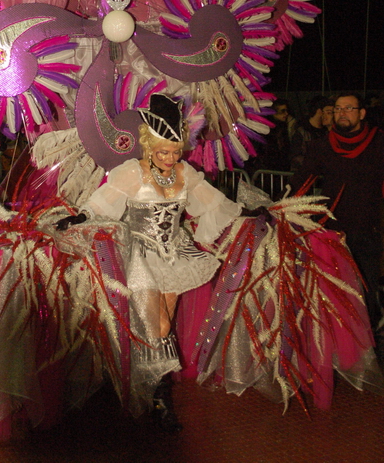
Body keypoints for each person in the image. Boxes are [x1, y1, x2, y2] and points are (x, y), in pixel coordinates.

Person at [57, 94, 247, 431]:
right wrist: (80, 217)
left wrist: (246, 213)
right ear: (148, 146)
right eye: (163, 152)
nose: (170, 158)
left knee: (162, 328)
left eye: (175, 152)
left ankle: (151, 387)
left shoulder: (185, 173)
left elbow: (214, 203)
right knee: (156, 326)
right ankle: (162, 400)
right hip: (140, 256)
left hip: (175, 255)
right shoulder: (131, 173)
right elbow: (103, 204)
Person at [290, 92, 384, 334]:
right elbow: (303, 180)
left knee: (365, 288)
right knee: (332, 289)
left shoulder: (378, 143)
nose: (342, 113)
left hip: (368, 229)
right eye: (338, 108)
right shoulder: (322, 145)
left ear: (362, 113)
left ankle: (367, 341)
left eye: (349, 108)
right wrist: (282, 205)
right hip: (331, 230)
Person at [289, 95, 331, 171]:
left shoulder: (326, 131)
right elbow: (296, 156)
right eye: (328, 112)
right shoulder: (301, 130)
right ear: (319, 111)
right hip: (304, 175)